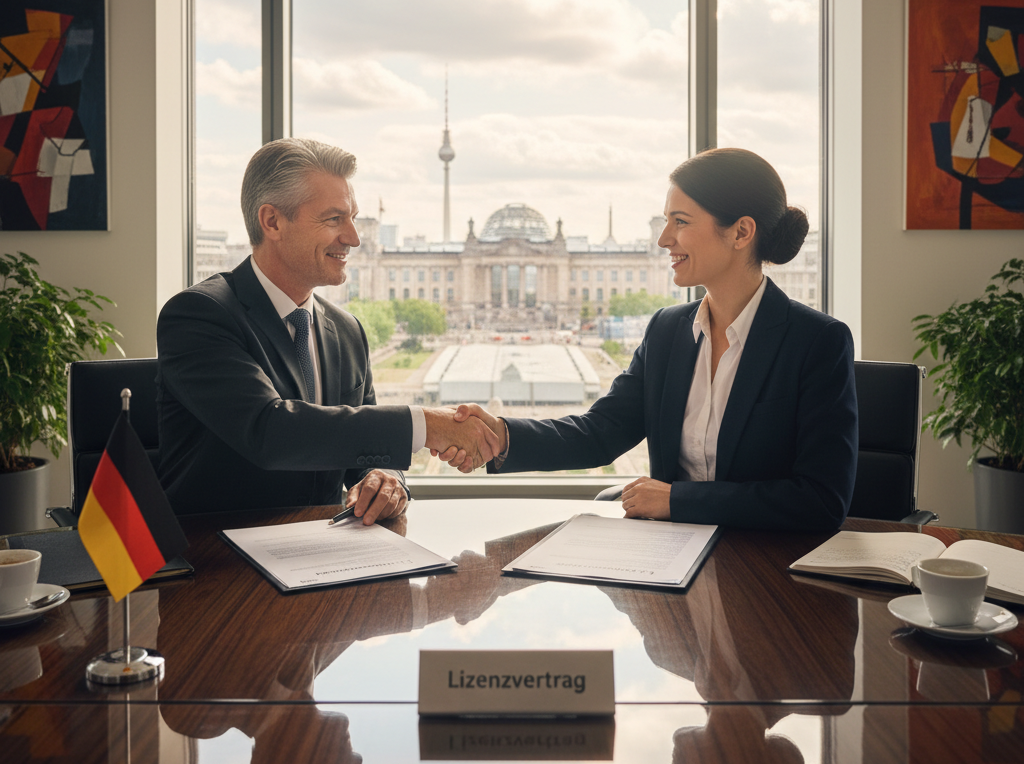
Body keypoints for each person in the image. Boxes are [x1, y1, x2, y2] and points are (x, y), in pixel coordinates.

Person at [440, 148, 858, 531]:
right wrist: (501, 435)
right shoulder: (667, 331)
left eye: (680, 222)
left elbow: (820, 501)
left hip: (766, 568)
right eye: (665, 222)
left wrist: (678, 499)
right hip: (668, 562)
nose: (663, 240)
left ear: (741, 232)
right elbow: (600, 432)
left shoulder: (817, 342)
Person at [157, 138, 500, 520]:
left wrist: (385, 479)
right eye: (334, 219)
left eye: (352, 218)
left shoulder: (346, 329)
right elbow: (271, 433)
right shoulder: (199, 314)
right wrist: (425, 424)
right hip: (219, 561)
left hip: (323, 554)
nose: (353, 238)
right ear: (272, 221)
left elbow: (362, 450)